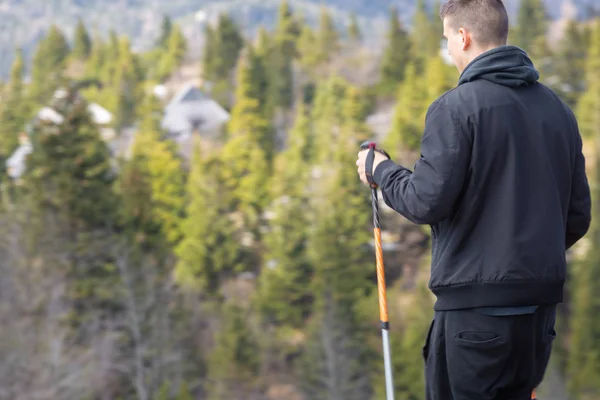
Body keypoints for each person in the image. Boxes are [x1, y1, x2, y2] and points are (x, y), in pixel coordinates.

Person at [356, 0, 592, 399]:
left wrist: (379, 170)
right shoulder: (557, 111)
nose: (448, 48)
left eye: (447, 38)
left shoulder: (455, 109)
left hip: (475, 316)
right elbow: (577, 217)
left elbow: (424, 201)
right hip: (538, 314)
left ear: (463, 37)